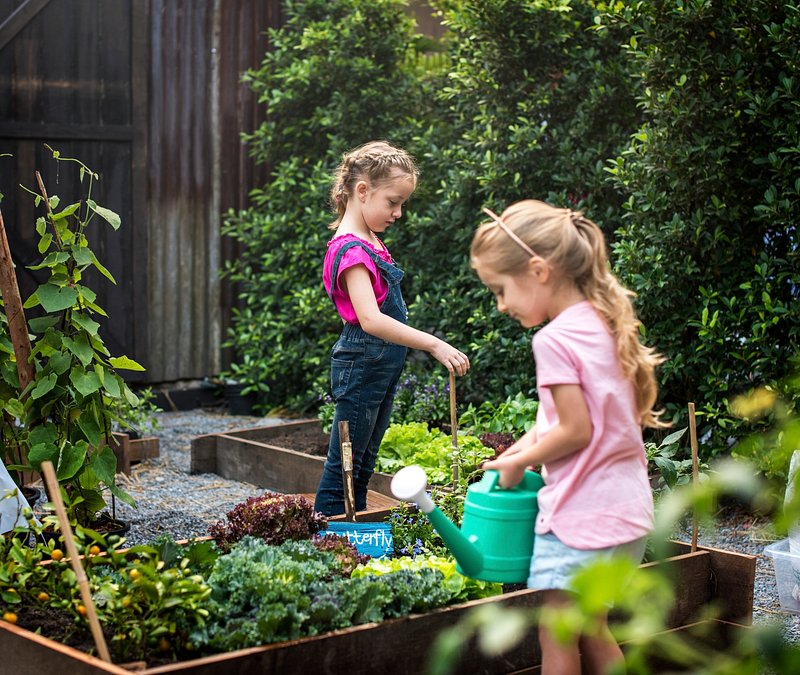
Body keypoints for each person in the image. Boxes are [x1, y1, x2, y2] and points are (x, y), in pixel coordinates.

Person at [470, 200, 666, 675]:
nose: (500, 305)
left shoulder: (552, 340)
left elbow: (577, 430)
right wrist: (521, 446)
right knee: (592, 627)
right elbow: (560, 417)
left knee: (556, 632)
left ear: (538, 271)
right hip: (627, 511)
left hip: (583, 516)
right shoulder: (603, 323)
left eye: (501, 289)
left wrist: (519, 464)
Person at [314, 141, 470, 516]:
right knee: (344, 467)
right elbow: (371, 319)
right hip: (362, 363)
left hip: (377, 365)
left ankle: (355, 537)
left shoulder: (369, 240)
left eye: (402, 204)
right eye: (393, 202)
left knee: (364, 462)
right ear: (363, 191)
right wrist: (433, 344)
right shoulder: (351, 251)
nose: (399, 213)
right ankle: (325, 542)